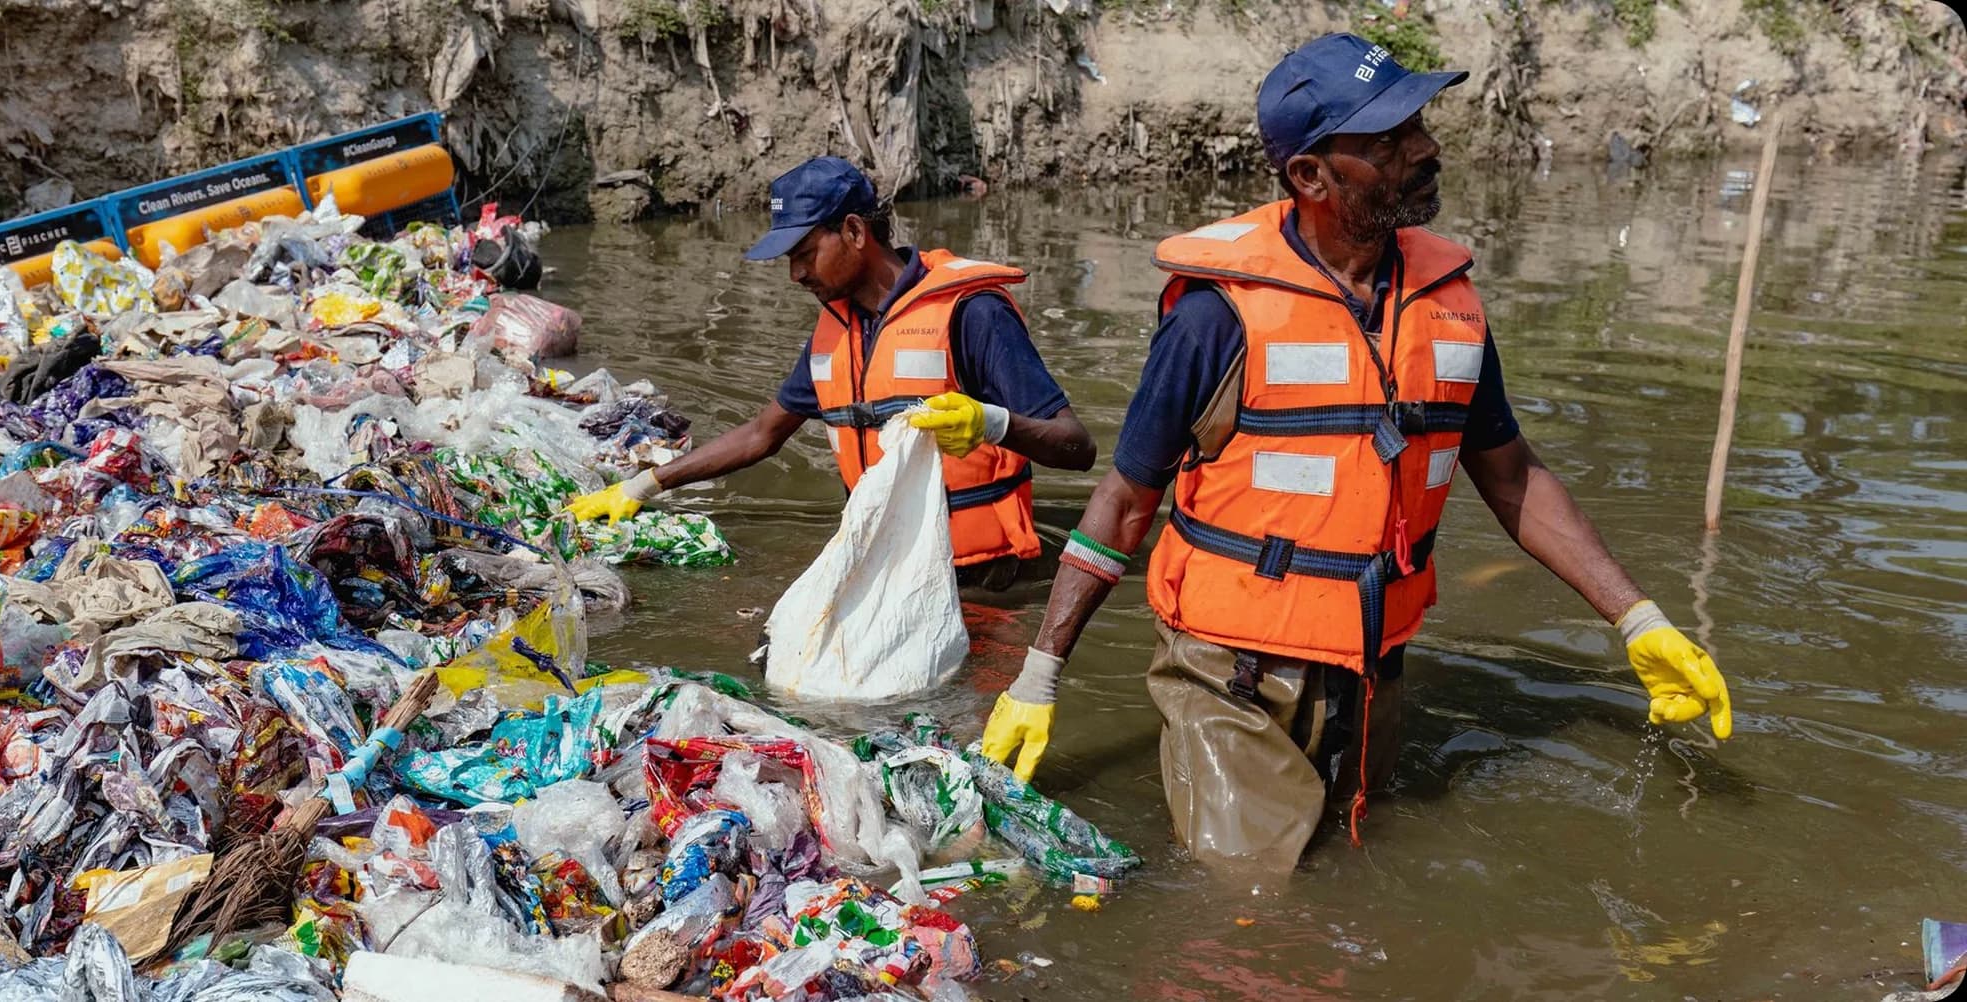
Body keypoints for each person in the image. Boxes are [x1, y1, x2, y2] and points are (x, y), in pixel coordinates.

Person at [976, 34, 1734, 870]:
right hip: (1231, 676)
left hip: (1374, 676)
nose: (1426, 150)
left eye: (1420, 125)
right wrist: (1039, 673)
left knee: (1358, 867)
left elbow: (1513, 476)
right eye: (1388, 141)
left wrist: (1638, 618)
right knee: (1249, 912)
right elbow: (1125, 500)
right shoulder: (1214, 316)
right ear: (1310, 177)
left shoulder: (1449, 306)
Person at [566, 156, 1095, 590]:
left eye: (805, 254)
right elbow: (762, 435)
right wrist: (642, 485)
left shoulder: (973, 312)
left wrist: (989, 422)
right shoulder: (835, 332)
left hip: (979, 586)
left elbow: (1077, 447)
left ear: (854, 231)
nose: (795, 274)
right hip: (880, 571)